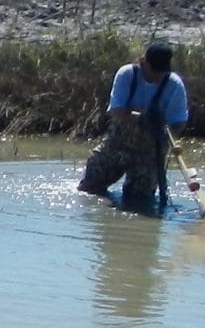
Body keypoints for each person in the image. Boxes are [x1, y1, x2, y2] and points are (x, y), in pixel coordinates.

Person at [77, 42, 189, 212]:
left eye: (162, 71)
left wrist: (164, 130)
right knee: (89, 190)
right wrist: (143, 119)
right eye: (154, 70)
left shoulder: (174, 85)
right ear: (144, 62)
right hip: (116, 145)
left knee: (139, 204)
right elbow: (117, 110)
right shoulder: (127, 74)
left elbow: (179, 122)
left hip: (149, 153)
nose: (158, 76)